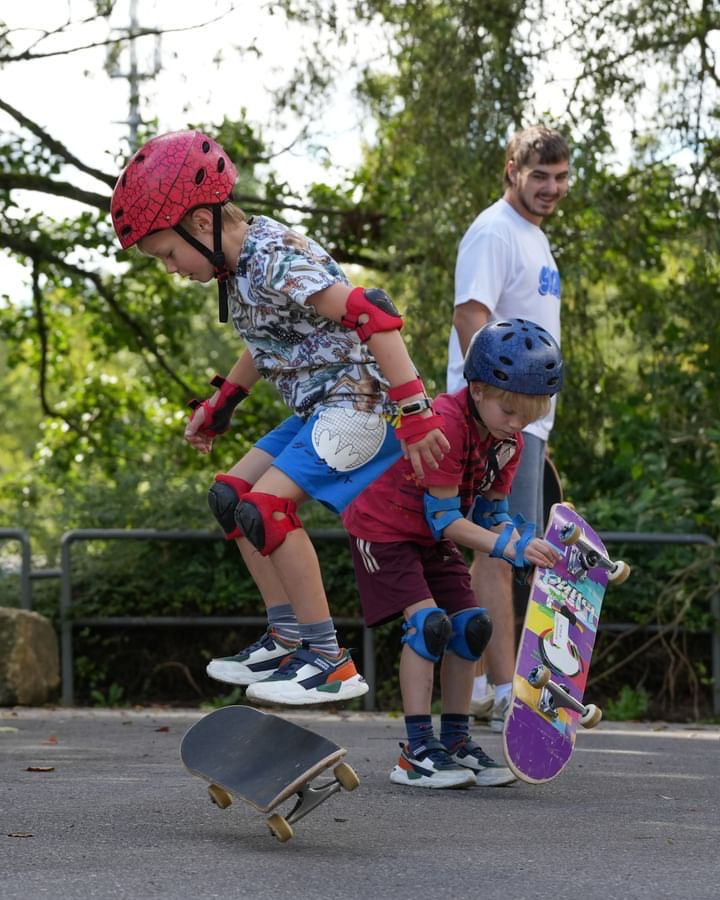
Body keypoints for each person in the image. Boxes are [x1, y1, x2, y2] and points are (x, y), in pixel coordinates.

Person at [110, 129, 449, 707]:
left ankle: (329, 660)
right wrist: (224, 402)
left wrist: (415, 410)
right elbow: (269, 341)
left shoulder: (273, 258)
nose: (170, 269)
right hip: (319, 404)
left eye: (167, 254)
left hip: (360, 406)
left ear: (199, 224)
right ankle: (286, 637)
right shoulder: (236, 269)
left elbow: (373, 312)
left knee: (266, 507)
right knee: (231, 497)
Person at [343, 319, 564, 787]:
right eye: (510, 410)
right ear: (478, 389)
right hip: (384, 529)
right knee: (429, 624)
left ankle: (458, 742)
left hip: (429, 535)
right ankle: (418, 752)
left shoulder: (509, 442)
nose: (518, 424)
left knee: (473, 625)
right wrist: (509, 547)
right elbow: (447, 519)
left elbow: (491, 515)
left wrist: (526, 543)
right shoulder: (446, 424)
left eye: (530, 414)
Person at [445, 125, 570, 731]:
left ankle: (481, 686)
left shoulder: (535, 240)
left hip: (520, 424)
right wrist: (492, 417)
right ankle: (499, 689)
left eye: (561, 176)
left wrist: (530, 429)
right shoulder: (496, 230)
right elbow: (471, 314)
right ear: (512, 171)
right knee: (497, 547)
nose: (551, 187)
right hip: (494, 419)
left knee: (500, 550)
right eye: (539, 175)